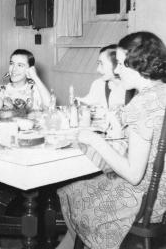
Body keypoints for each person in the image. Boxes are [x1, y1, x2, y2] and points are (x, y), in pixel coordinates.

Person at [56, 31, 166, 249]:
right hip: (161, 192)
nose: (116, 70)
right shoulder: (162, 91)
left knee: (70, 192)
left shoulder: (140, 104)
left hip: (142, 201)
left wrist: (95, 140)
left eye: (122, 64)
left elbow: (134, 175)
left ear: (140, 65)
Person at [77, 44, 135, 109]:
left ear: (116, 63)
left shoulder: (133, 87)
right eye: (98, 64)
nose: (98, 69)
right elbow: (86, 102)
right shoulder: (99, 84)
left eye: (101, 64)